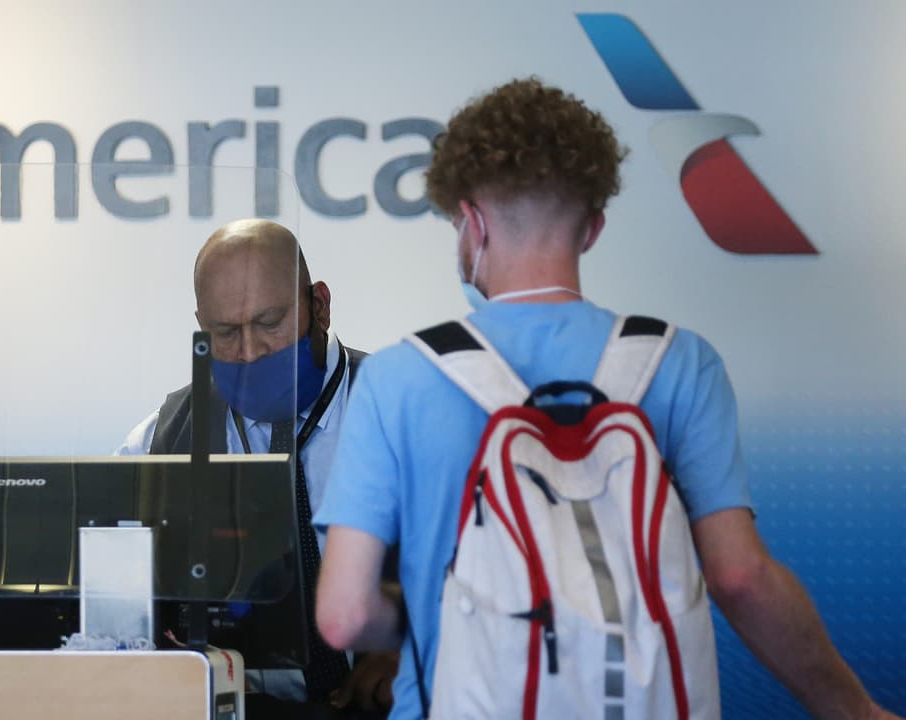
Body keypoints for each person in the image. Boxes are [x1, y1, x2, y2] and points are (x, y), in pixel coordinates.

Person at [313, 77, 899, 719]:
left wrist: (433, 611)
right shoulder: (680, 364)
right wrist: (857, 711)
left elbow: (343, 617)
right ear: (592, 228)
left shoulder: (398, 378)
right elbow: (740, 578)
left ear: (471, 221)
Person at [119, 218, 397, 715]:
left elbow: (485, 572)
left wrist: (415, 642)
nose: (249, 353)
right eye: (226, 332)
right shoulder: (163, 439)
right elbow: (117, 600)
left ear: (320, 306)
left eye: (269, 323)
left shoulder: (400, 412)